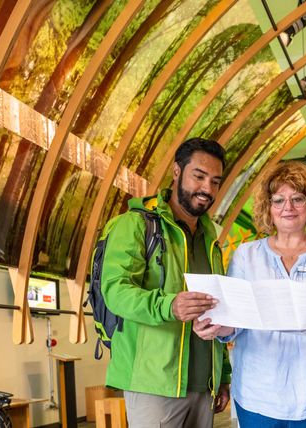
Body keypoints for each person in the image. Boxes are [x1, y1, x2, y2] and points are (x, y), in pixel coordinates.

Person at [194, 161, 306, 427]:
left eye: (297, 199)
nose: (287, 208)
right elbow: (234, 321)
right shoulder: (246, 255)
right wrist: (217, 326)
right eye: (278, 200)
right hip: (259, 394)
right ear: (268, 208)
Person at [100, 138, 231, 428]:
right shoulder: (135, 225)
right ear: (176, 171)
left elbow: (218, 311)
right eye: (199, 176)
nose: (207, 189)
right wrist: (168, 305)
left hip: (202, 386)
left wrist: (222, 377)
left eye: (215, 181)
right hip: (153, 385)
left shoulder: (211, 240)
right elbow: (116, 291)